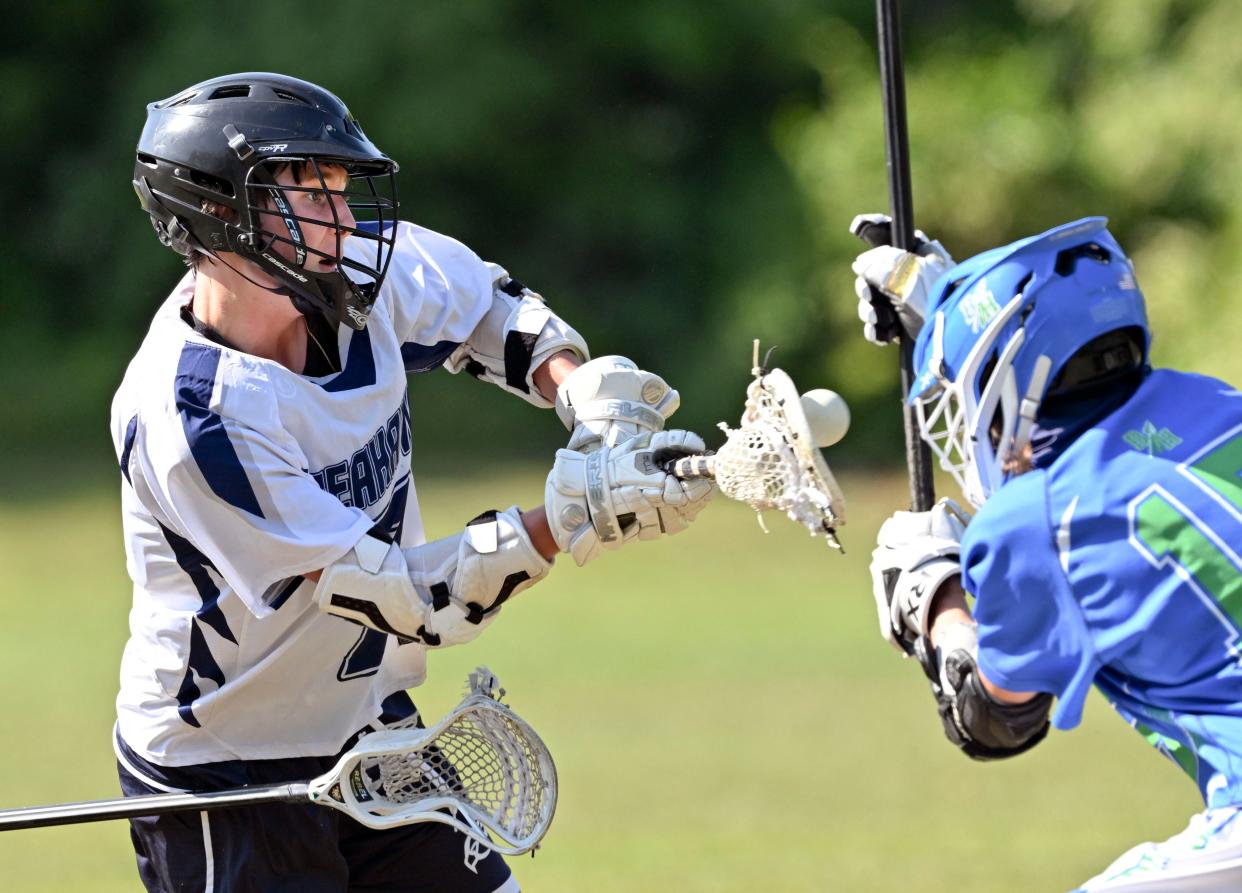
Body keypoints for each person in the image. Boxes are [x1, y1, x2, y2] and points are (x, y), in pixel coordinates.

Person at [112, 72, 712, 893]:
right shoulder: (197, 420)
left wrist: (584, 398)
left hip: (370, 728)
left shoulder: (347, 272)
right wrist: (572, 515)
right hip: (232, 775)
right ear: (221, 216)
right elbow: (400, 597)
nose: (346, 220)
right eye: (309, 195)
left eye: (338, 188)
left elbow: (492, 314)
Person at [852, 213, 1242, 891]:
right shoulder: (1215, 403)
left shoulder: (1036, 521)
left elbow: (997, 716)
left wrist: (933, 598)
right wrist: (955, 306)